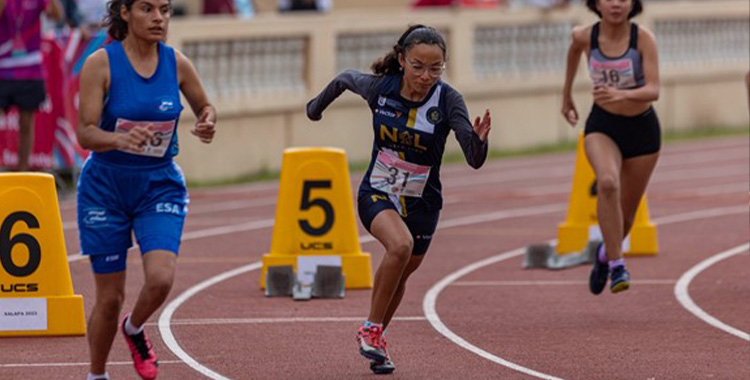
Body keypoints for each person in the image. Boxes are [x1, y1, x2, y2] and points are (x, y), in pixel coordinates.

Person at [307, 24, 491, 375]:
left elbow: (474, 159)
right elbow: (345, 78)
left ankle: (376, 340)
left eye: (435, 69)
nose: (426, 76)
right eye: (418, 66)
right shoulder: (381, 88)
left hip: (424, 202)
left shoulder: (448, 100)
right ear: (403, 60)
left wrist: (479, 141)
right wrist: (315, 108)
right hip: (378, 190)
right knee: (399, 246)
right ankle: (371, 330)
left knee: (403, 272)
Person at [76, 0, 216, 378]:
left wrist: (207, 122)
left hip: (158, 186)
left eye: (165, 10)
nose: (158, 18)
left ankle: (135, 328)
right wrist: (119, 140)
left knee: (160, 279)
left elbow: (206, 107)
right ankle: (97, 374)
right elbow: (85, 131)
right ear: (125, 13)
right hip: (106, 187)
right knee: (109, 298)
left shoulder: (177, 63)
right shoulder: (101, 64)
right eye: (147, 9)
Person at [561, 0, 660, 295]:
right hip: (602, 125)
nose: (616, 3)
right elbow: (574, 51)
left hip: (642, 131)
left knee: (626, 218)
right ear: (596, 4)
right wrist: (566, 96)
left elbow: (654, 89)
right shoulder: (584, 36)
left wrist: (620, 94)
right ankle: (618, 265)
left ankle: (604, 255)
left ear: (633, 4)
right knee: (607, 182)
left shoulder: (642, 38)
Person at [0, 0, 62, 171]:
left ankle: (22, 171)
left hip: (31, 69)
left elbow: (56, 16)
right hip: (3, 67)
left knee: (26, 123)